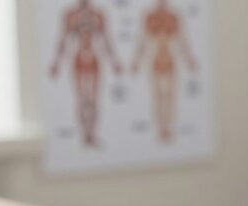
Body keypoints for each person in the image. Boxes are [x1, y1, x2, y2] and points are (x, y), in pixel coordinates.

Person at [50, 0, 123, 147]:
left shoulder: (98, 15)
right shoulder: (70, 15)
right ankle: (85, 134)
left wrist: (113, 61)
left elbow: (106, 39)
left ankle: (92, 133)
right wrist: (56, 63)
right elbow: (63, 40)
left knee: (94, 99)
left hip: (94, 59)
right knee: (82, 98)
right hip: (78, 59)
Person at [132, 0, 199, 143]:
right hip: (155, 58)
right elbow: (142, 41)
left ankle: (168, 127)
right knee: (158, 95)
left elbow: (182, 40)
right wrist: (137, 61)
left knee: (170, 95)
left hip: (170, 58)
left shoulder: (174, 16)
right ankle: (161, 128)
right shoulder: (149, 16)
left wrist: (189, 60)